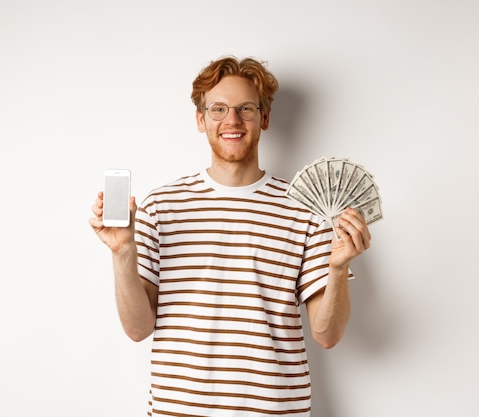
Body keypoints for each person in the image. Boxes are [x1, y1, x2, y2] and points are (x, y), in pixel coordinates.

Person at [89, 55, 372, 417]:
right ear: (200, 119)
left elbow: (327, 335)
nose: (232, 120)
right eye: (218, 109)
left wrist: (336, 269)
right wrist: (123, 251)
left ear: (265, 117)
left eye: (245, 109)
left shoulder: (306, 209)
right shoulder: (161, 207)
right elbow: (137, 329)